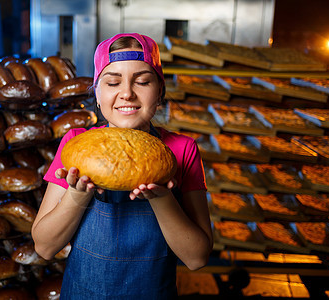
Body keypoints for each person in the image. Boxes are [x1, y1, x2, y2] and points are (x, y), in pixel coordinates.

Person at [32, 33, 213, 299]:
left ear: (159, 91)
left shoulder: (181, 150)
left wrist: (162, 198)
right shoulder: (77, 146)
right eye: (113, 82)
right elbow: (45, 247)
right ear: (97, 92)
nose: (127, 93)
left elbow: (197, 258)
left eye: (142, 81)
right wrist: (77, 196)